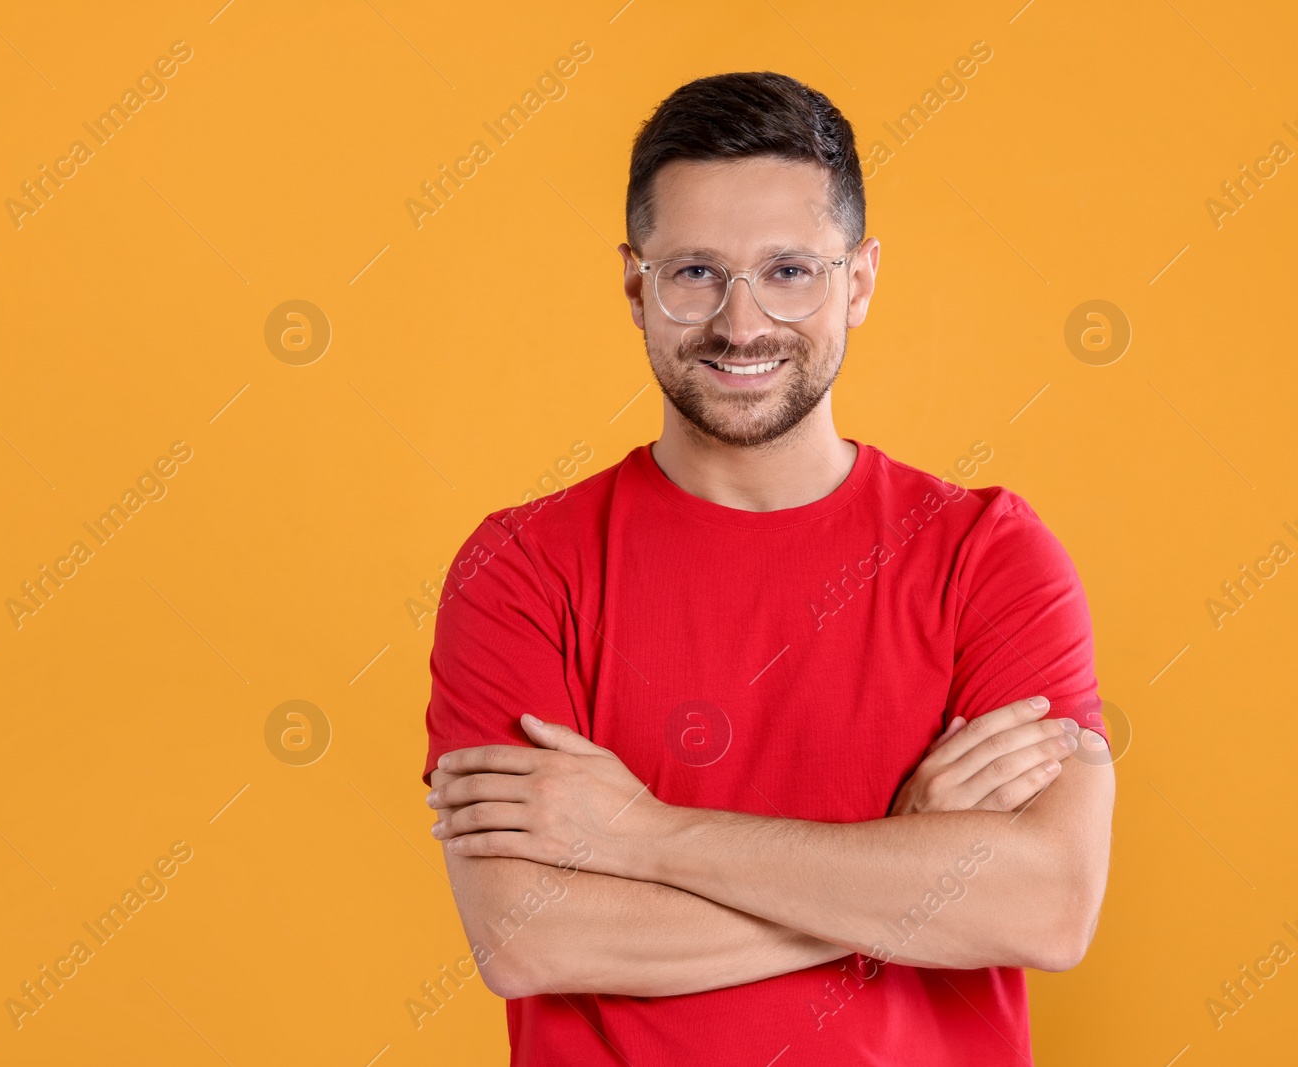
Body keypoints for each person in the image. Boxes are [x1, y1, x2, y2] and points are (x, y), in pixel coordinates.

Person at [420, 71, 1113, 1065]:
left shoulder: (988, 557)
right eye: (696, 272)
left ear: (860, 280)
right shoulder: (522, 571)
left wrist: (645, 836)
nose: (741, 324)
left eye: (790, 270)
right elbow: (528, 936)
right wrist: (906, 860)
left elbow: (1046, 904)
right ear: (634, 283)